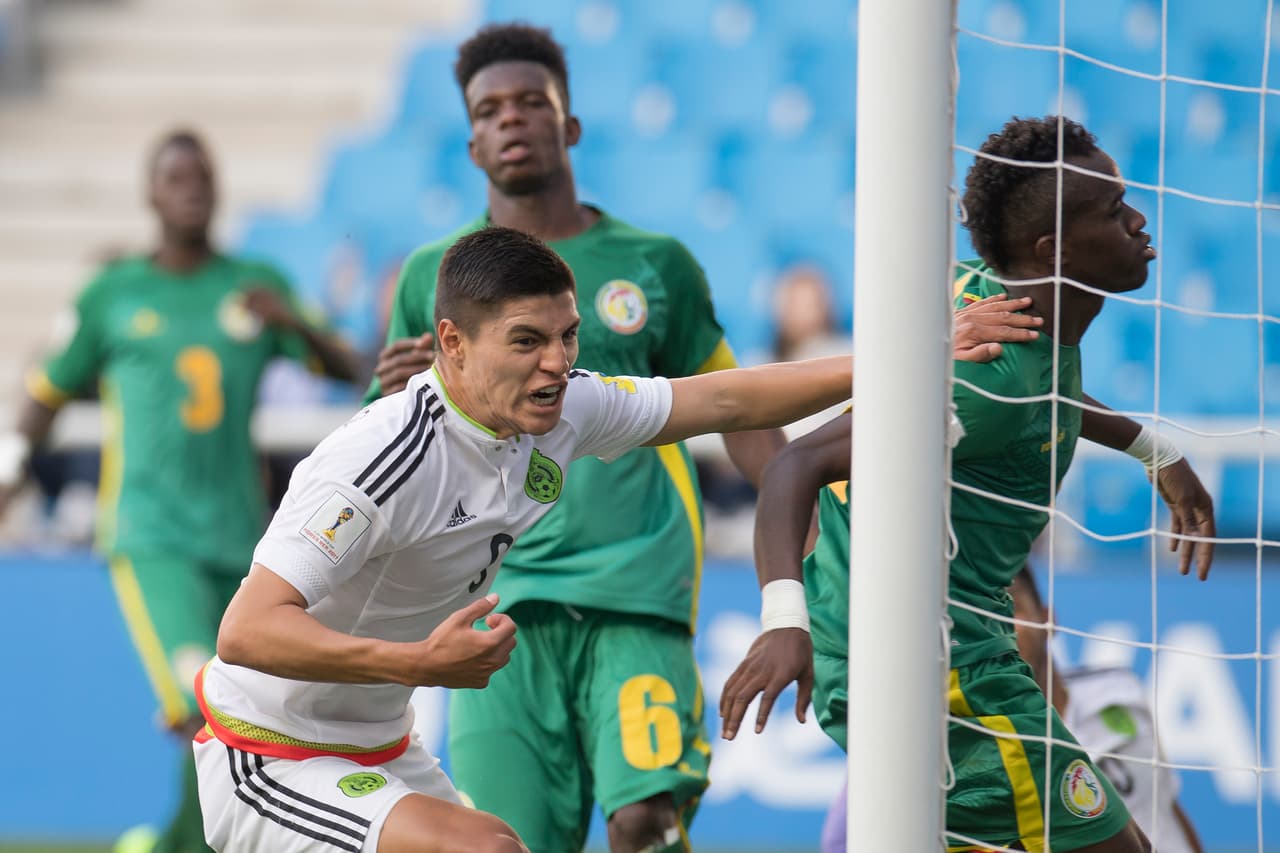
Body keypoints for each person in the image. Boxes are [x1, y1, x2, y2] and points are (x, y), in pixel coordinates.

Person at [364, 24, 1045, 853]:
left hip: (635, 597)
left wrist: (827, 519)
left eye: (532, 102)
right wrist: (388, 395)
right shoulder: (432, 277)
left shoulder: (656, 266)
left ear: (569, 124)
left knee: (644, 820)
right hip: (491, 613)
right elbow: (397, 447)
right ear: (470, 139)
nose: (513, 120)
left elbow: (736, 408)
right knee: (504, 842)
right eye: (491, 109)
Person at [192, 225, 855, 852]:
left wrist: (895, 364)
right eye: (526, 341)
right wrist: (416, 663)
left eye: (568, 336)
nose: (557, 363)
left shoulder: (563, 410)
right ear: (452, 343)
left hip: (378, 744)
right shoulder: (384, 456)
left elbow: (728, 402)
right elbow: (245, 633)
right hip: (269, 749)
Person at [719, 116, 1217, 853]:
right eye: (1113, 209)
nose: (1139, 221)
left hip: (945, 640)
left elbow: (1049, 396)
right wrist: (782, 618)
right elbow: (798, 464)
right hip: (932, 667)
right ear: (1056, 250)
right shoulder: (984, 375)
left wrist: (1150, 449)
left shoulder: (1005, 311)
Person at [0, 129, 361, 853]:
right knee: (205, 704)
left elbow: (354, 368)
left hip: (242, 540)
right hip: (151, 535)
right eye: (175, 176)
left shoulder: (255, 284)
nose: (190, 188)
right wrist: (9, 474)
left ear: (218, 188)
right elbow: (46, 394)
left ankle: (167, 845)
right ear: (151, 193)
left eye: (202, 175)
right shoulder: (113, 294)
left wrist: (292, 323)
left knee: (244, 718)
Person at [1010, 565, 1205, 853]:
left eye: (1011, 609)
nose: (1000, 629)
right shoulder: (990, 749)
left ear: (1047, 618)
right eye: (986, 619)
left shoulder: (1119, 690)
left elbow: (1166, 805)